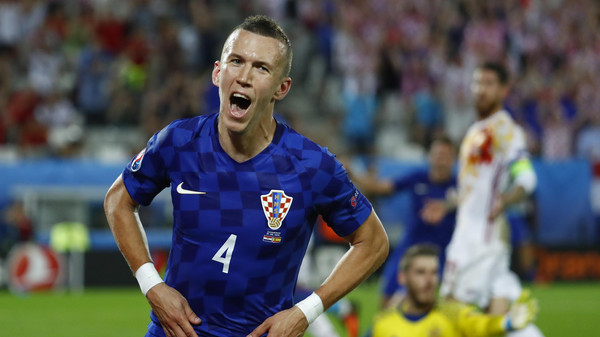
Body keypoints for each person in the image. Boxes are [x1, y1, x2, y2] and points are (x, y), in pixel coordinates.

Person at [104, 15, 388, 337]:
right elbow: (118, 201)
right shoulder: (179, 141)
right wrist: (152, 285)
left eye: (261, 68)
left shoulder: (311, 165)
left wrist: (304, 312)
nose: (244, 77)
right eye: (236, 61)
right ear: (217, 72)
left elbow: (373, 242)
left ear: (282, 88)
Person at [439, 62, 543, 336]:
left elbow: (526, 177)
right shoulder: (476, 130)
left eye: (488, 84)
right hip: (474, 236)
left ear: (503, 90)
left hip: (479, 243)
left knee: (453, 313)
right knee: (503, 321)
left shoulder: (505, 129)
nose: (480, 90)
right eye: (477, 83)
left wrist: (507, 199)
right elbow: (474, 188)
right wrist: (450, 203)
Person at [351, 135, 458, 308]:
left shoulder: (460, 186)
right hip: (412, 247)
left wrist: (448, 205)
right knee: (386, 299)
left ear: (453, 159)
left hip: (443, 254)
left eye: (446, 156)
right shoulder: (418, 177)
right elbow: (380, 188)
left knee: (446, 305)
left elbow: (476, 200)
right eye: (438, 154)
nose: (441, 160)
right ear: (430, 156)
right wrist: (352, 174)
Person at [372, 244, 538, 337]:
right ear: (402, 278)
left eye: (434, 272)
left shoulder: (453, 314)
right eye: (420, 272)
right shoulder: (384, 323)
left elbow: (480, 325)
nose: (429, 281)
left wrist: (506, 322)